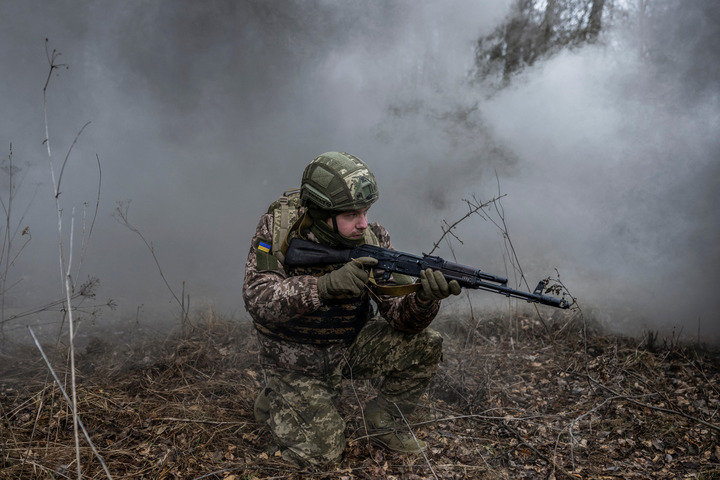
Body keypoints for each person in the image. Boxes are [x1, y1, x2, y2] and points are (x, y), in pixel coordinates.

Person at [242, 151, 461, 467]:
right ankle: (277, 396)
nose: (363, 223)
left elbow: (400, 316)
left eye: (366, 212)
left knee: (427, 344)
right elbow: (257, 298)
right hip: (295, 359)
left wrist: (424, 299)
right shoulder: (279, 231)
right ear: (321, 212)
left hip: (348, 346)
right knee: (322, 456)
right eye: (351, 215)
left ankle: (384, 419)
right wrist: (323, 287)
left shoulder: (372, 237)